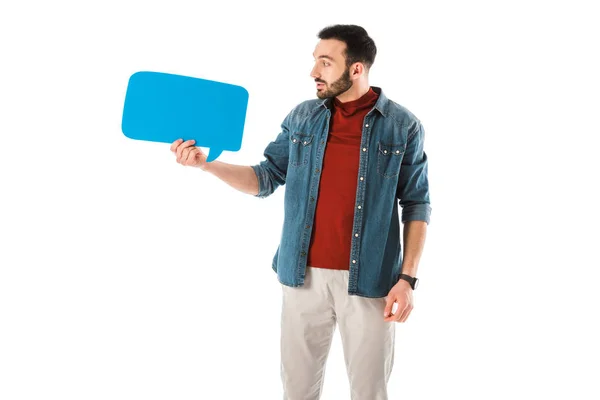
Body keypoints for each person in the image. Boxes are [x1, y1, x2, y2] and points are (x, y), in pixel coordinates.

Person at [170, 24, 431, 400]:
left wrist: (407, 280)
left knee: (369, 392)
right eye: (315, 62)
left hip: (372, 282)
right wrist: (205, 165)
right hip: (301, 277)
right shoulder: (303, 118)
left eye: (325, 63)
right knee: (297, 392)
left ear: (356, 69)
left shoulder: (402, 126)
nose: (314, 72)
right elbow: (265, 178)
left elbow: (417, 203)